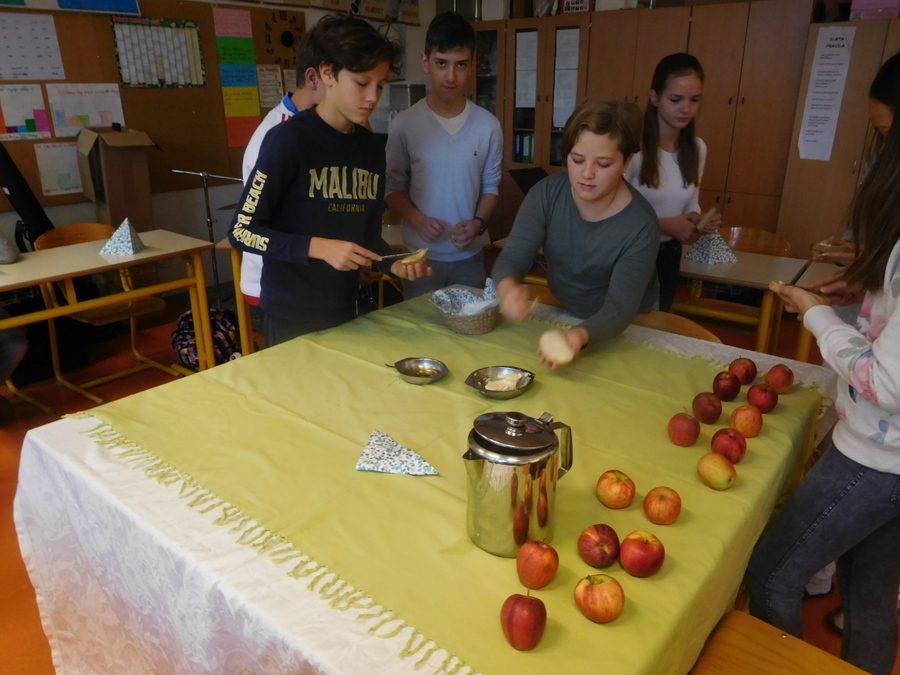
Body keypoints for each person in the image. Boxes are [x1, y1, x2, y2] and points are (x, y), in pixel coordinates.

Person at [747, 51, 900, 675]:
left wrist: (814, 313)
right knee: (869, 598)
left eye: (887, 138)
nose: (877, 157)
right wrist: (862, 287)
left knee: (773, 574)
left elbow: (886, 383)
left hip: (875, 459)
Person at [228, 15, 430, 346]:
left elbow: (367, 238)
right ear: (326, 73)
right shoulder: (287, 140)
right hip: (290, 314)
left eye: (380, 85)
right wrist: (316, 247)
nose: (372, 97)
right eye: (362, 83)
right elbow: (241, 230)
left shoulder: (370, 149)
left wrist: (392, 264)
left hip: (344, 308)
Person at [491, 99, 659, 368]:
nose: (587, 174)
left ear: (626, 161)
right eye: (577, 160)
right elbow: (512, 258)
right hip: (565, 313)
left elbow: (619, 310)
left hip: (628, 328)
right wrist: (508, 287)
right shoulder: (546, 195)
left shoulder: (640, 225)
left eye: (603, 164)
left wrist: (580, 335)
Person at [385, 11, 502, 298]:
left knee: (469, 336)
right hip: (420, 259)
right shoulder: (404, 125)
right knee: (421, 338)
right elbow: (391, 189)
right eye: (441, 64)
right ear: (425, 62)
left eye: (461, 65)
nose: (451, 76)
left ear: (473, 65)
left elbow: (491, 187)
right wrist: (417, 219)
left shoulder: (488, 126)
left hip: (470, 258)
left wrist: (478, 223)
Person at [625, 53, 720, 311]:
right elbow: (610, 215)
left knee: (658, 328)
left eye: (695, 100)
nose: (686, 109)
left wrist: (697, 218)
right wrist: (667, 225)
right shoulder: (634, 149)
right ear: (655, 98)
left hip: (669, 255)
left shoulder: (697, 148)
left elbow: (692, 200)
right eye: (676, 99)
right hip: (630, 255)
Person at [238, 33, 326, 309]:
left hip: (312, 277)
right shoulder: (277, 135)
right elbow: (249, 229)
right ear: (314, 79)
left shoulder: (321, 127)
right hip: (273, 282)